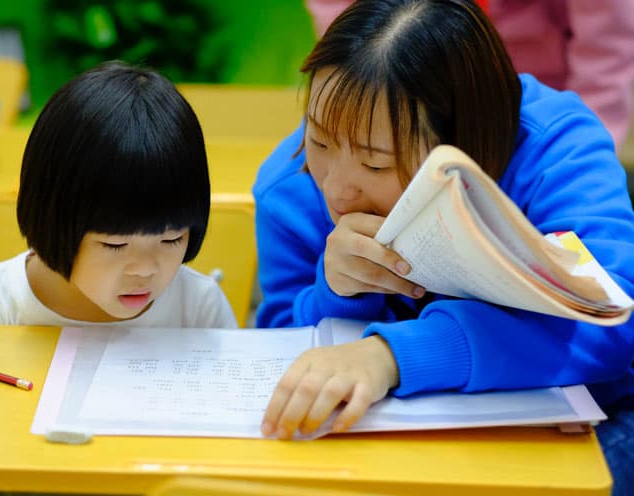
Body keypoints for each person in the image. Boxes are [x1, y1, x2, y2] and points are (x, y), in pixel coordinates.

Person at [252, 1, 634, 494]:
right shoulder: (288, 186)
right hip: (371, 448)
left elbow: (611, 322)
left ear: (466, 144)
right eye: (321, 141)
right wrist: (336, 292)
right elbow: (276, 354)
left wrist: (390, 356)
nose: (338, 190)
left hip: (575, 434)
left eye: (375, 165)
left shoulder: (555, 146)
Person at [0, 60, 237, 330]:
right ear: (52, 219)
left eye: (172, 239)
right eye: (115, 244)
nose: (145, 269)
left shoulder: (200, 308)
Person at [305, 0, 634, 150]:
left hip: (539, 108)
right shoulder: (292, 180)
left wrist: (586, 142)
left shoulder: (555, 140)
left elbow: (607, 38)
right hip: (397, 92)